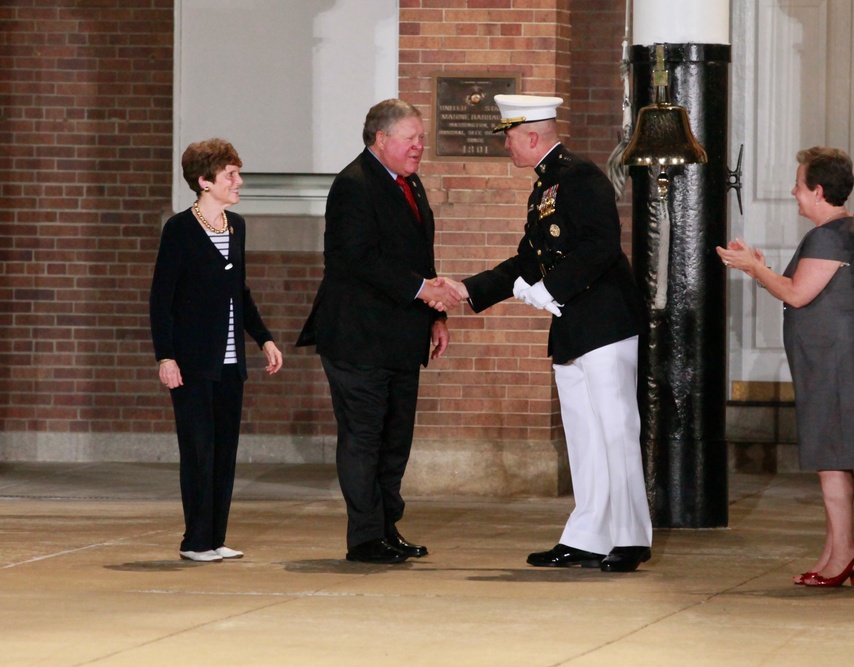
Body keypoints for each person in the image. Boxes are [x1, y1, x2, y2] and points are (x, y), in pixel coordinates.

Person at [442, 94, 653, 573]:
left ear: (532, 135)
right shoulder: (546, 187)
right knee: (583, 435)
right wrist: (467, 289)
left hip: (604, 323)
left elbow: (601, 248)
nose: (507, 147)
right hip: (573, 327)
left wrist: (549, 289)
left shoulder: (580, 178)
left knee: (616, 430)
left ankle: (631, 536)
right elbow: (526, 259)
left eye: (510, 137)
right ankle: (588, 537)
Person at [297, 99, 462, 564]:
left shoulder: (409, 183)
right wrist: (423, 290)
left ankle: (387, 528)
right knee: (364, 439)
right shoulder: (353, 185)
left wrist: (435, 314)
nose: (419, 146)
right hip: (358, 338)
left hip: (401, 338)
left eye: (422, 138)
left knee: (395, 440)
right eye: (411, 138)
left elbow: (419, 256)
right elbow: (356, 259)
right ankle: (365, 538)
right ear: (381, 139)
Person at [716, 146, 854, 588]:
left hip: (835, 361)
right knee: (835, 458)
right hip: (834, 358)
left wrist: (752, 267)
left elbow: (796, 295)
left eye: (799, 184)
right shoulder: (840, 232)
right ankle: (835, 551)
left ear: (819, 190)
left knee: (832, 457)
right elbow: (798, 287)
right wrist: (761, 269)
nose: (794, 191)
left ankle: (843, 552)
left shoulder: (831, 235)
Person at [150, 138, 283, 562]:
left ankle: (215, 537)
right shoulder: (180, 230)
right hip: (191, 363)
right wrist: (165, 356)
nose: (238, 181)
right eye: (231, 175)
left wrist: (263, 338)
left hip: (229, 364)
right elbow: (160, 299)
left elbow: (238, 294)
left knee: (225, 450)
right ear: (205, 182)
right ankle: (195, 541)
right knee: (199, 450)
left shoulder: (236, 226)